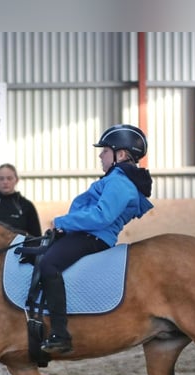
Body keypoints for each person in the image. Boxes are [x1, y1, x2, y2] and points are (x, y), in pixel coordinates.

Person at [39, 124, 154, 354]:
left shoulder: (119, 182)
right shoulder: (117, 179)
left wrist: (62, 222)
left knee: (48, 265)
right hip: (86, 233)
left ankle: (60, 333)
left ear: (120, 154)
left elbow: (102, 216)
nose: (101, 155)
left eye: (105, 151)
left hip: (93, 237)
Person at [0, 163, 43, 375]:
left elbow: (36, 237)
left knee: (17, 313)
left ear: (16, 180)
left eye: (9, 178)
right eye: (1, 178)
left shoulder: (25, 206)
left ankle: (21, 357)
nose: (5, 182)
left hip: (18, 267)